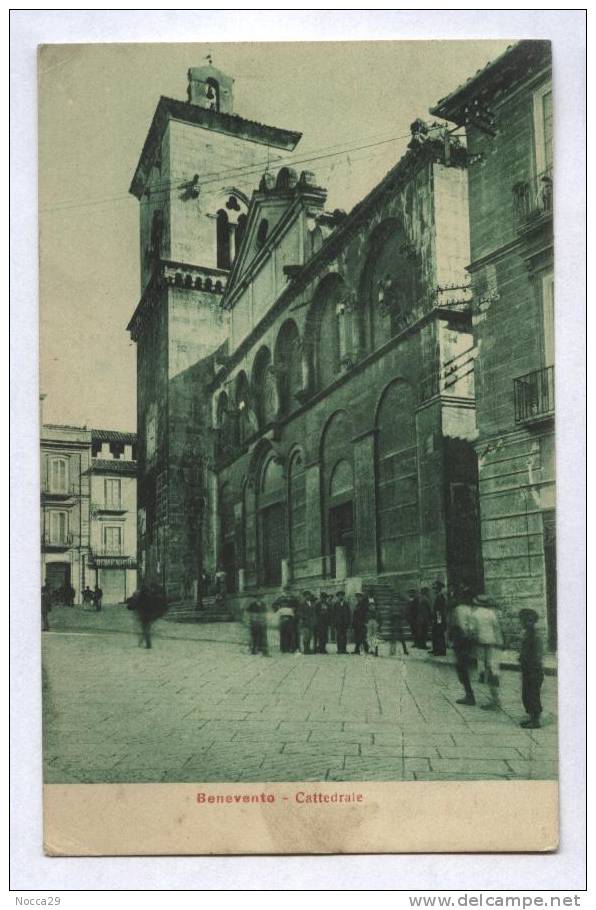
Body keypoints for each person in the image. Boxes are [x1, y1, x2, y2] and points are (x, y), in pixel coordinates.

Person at [471, 594, 504, 710]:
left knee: (487, 670)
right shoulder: (491, 613)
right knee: (492, 669)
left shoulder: (474, 614)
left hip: (481, 645)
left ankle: (495, 701)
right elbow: (497, 629)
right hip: (492, 645)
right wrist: (500, 643)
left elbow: (472, 631)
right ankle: (495, 697)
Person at [449, 588, 476, 705]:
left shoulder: (458, 610)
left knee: (461, 668)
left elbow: (459, 626)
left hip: (461, 642)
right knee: (464, 668)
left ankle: (469, 695)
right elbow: (472, 628)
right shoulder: (471, 609)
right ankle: (469, 694)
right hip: (468, 641)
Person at [518, 608, 544, 729]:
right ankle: (531, 717)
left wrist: (532, 666)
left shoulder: (534, 635)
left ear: (530, 621)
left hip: (533, 669)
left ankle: (535, 721)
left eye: (523, 620)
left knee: (533, 694)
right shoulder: (527, 633)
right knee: (526, 694)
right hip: (527, 668)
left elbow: (538, 654)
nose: (521, 622)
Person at [430, 579, 448, 656]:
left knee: (439, 634)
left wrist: (438, 621)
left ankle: (440, 651)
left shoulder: (440, 597)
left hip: (439, 619)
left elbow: (440, 611)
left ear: (438, 589)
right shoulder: (438, 596)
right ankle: (436, 649)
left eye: (435, 588)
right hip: (437, 619)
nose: (434, 590)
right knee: (436, 634)